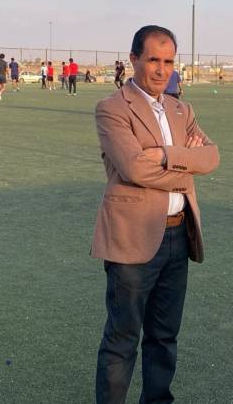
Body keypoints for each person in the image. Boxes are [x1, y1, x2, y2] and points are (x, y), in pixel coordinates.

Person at [93, 25, 219, 404]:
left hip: (179, 236)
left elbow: (212, 157)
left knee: (164, 336)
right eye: (153, 60)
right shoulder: (113, 108)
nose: (162, 70)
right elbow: (134, 168)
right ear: (134, 59)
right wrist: (187, 163)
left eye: (168, 61)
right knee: (122, 339)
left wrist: (165, 155)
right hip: (133, 238)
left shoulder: (182, 109)